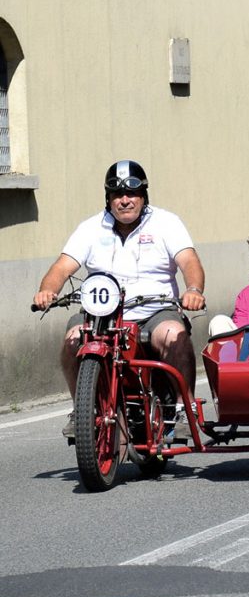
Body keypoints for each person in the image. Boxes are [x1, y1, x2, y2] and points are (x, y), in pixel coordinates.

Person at [33, 160, 206, 440]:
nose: (125, 200)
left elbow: (189, 261)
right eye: (117, 194)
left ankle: (184, 408)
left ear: (143, 196)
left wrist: (194, 290)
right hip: (102, 314)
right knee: (73, 337)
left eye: (132, 194)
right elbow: (62, 267)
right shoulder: (91, 228)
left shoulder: (167, 223)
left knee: (175, 334)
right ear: (108, 199)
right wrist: (47, 290)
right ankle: (83, 410)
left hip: (155, 309)